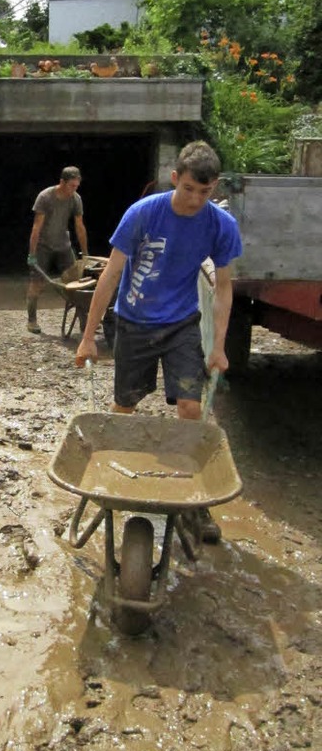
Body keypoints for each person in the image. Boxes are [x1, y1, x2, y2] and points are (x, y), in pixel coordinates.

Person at [75, 140, 242, 543]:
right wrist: (87, 337)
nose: (195, 199)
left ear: (214, 187)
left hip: (181, 323)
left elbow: (222, 287)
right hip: (134, 323)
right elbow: (111, 275)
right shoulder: (143, 214)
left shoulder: (220, 225)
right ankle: (111, 486)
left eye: (204, 192)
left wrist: (218, 346)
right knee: (123, 408)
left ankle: (196, 505)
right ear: (174, 179)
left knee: (190, 405)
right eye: (188, 189)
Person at [26, 166, 89, 333]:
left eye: (77, 186)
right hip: (43, 245)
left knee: (77, 283)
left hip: (63, 245)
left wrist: (85, 253)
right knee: (37, 283)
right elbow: (36, 227)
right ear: (62, 182)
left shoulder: (75, 199)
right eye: (71, 186)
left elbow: (79, 226)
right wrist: (32, 254)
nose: (74, 189)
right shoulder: (45, 197)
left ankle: (85, 323)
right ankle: (32, 320)